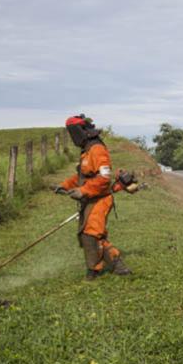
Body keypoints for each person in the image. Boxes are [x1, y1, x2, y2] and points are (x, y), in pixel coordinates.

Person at [56, 114, 132, 280]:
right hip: (90, 200)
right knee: (87, 235)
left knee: (92, 234)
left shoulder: (97, 149)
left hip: (100, 199)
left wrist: (83, 191)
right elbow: (82, 177)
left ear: (79, 131)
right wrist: (64, 186)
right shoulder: (86, 151)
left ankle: (99, 270)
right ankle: (111, 266)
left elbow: (104, 180)